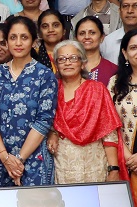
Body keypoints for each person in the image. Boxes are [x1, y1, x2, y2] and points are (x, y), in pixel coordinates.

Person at [0, 16, 56, 188]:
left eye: (24, 37)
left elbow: (44, 121)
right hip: (0, 160)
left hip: (33, 159)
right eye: (12, 37)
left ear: (33, 41)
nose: (18, 43)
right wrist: (5, 158)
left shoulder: (45, 75)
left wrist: (18, 160)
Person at [47, 38, 124, 184]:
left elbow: (109, 133)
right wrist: (53, 132)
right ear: (56, 64)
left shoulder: (97, 89)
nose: (67, 63)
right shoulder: (51, 90)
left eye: (73, 58)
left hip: (93, 163)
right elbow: (46, 124)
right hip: (62, 164)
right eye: (62, 59)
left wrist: (113, 168)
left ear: (83, 63)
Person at [73, 15, 116, 85]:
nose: (87, 37)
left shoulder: (113, 70)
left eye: (92, 33)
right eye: (82, 33)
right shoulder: (69, 68)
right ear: (76, 39)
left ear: (102, 37)